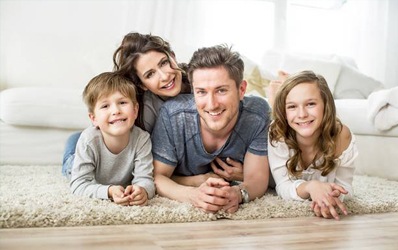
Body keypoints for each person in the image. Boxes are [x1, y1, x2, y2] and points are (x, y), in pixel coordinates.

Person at [151, 44, 271, 214]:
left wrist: (237, 194)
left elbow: (257, 179)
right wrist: (193, 195)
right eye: (201, 92)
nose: (212, 104)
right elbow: (157, 177)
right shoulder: (173, 115)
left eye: (221, 90)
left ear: (241, 89)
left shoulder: (257, 114)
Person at [62, 32, 190, 177]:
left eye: (164, 63)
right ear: (142, 85)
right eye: (150, 74)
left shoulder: (198, 81)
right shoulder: (143, 110)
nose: (165, 76)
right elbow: (146, 168)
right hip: (104, 141)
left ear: (172, 56)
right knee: (77, 162)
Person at [268, 70, 358, 220]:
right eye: (292, 106)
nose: (302, 114)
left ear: (326, 105)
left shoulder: (341, 135)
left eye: (310, 104)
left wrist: (331, 197)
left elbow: (347, 188)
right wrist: (311, 187)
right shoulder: (278, 132)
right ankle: (278, 91)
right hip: (267, 173)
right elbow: (282, 186)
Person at [69, 72, 155, 206]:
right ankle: (72, 144)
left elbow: (146, 179)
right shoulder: (88, 140)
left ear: (135, 110)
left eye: (122, 102)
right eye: (105, 106)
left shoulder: (142, 139)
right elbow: (78, 185)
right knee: (69, 162)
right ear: (94, 119)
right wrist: (108, 191)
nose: (116, 111)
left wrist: (142, 190)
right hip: (80, 157)